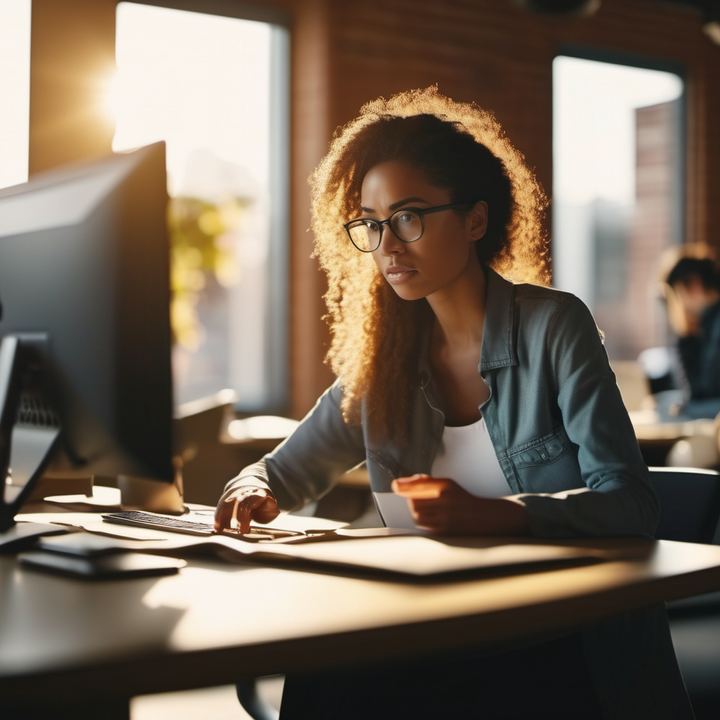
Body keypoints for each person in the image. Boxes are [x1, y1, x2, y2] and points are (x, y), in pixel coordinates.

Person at [215, 87, 693, 719]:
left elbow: (632, 503)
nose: (387, 242)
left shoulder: (554, 327)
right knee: (325, 670)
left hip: (563, 640)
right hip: (442, 625)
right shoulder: (384, 362)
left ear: (474, 220)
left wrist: (503, 516)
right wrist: (250, 489)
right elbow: (282, 470)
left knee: (344, 687)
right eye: (371, 223)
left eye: (409, 216)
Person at [664, 255, 720, 419]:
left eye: (677, 293)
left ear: (694, 284)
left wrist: (687, 410)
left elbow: (705, 390)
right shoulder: (707, 325)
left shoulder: (715, 325)